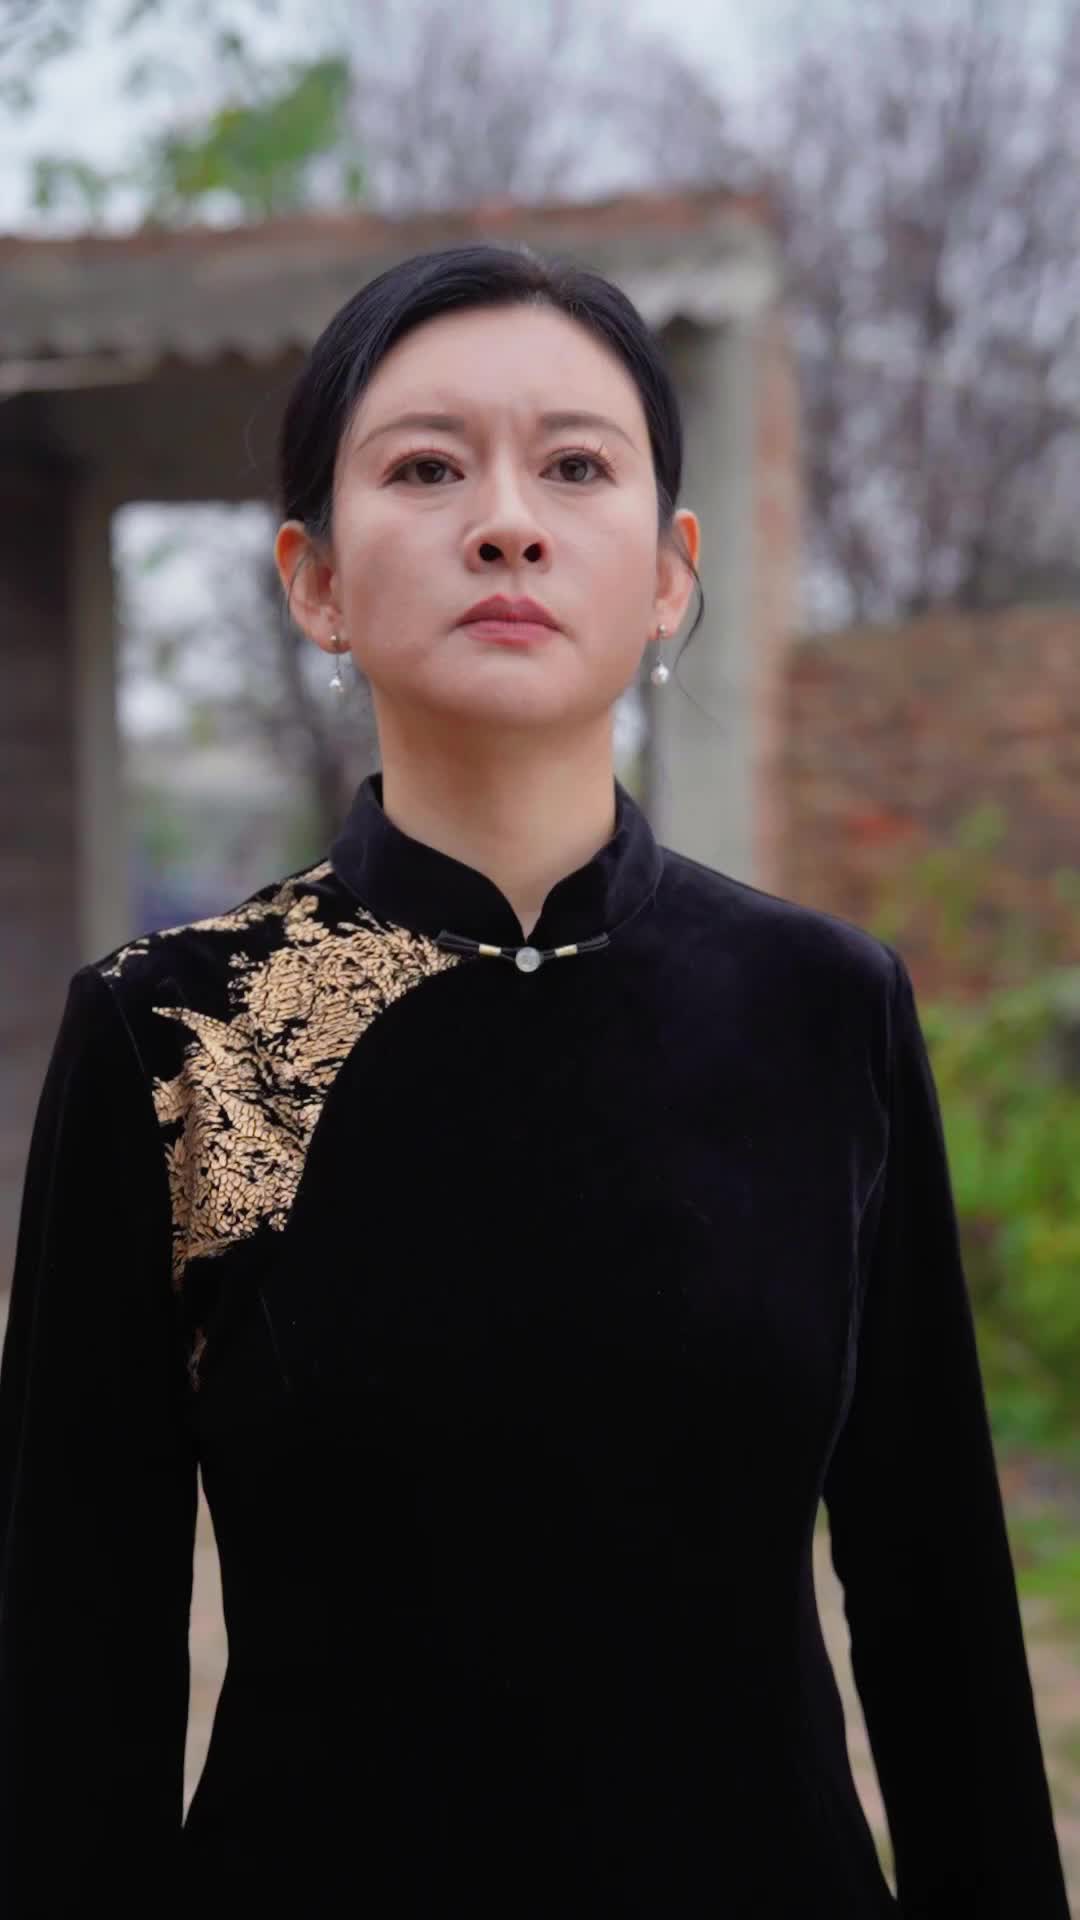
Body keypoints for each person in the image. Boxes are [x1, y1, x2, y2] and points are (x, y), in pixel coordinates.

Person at [0, 241, 1070, 1920]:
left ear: (668, 574)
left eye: (576, 466)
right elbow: (76, 1656)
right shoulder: (181, 1032)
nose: (507, 521)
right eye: (426, 468)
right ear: (314, 579)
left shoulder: (823, 1008)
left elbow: (934, 1597)